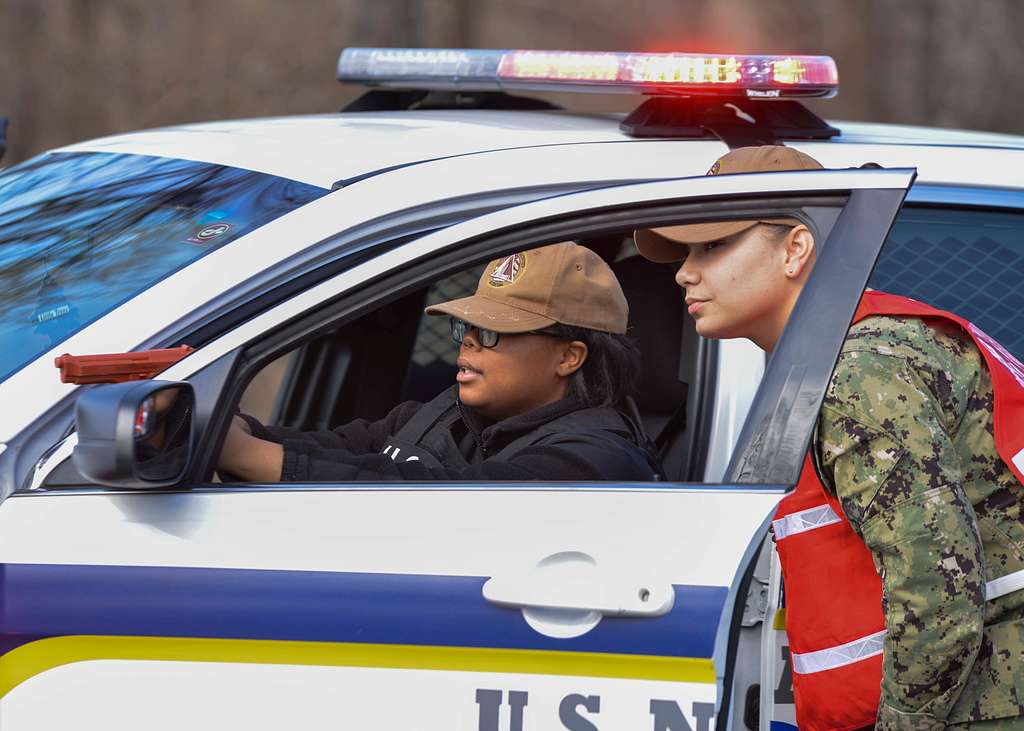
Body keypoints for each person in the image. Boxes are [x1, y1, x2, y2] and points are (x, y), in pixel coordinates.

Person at [635, 146, 1024, 730]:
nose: (685, 272)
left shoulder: (859, 371)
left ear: (795, 248)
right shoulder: (849, 351)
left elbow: (937, 590)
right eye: (687, 251)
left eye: (713, 247)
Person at [217, 241, 659, 483]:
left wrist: (252, 458)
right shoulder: (450, 413)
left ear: (568, 356)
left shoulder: (595, 462)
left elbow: (442, 504)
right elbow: (347, 448)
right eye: (464, 330)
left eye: (491, 332)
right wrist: (228, 432)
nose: (467, 343)